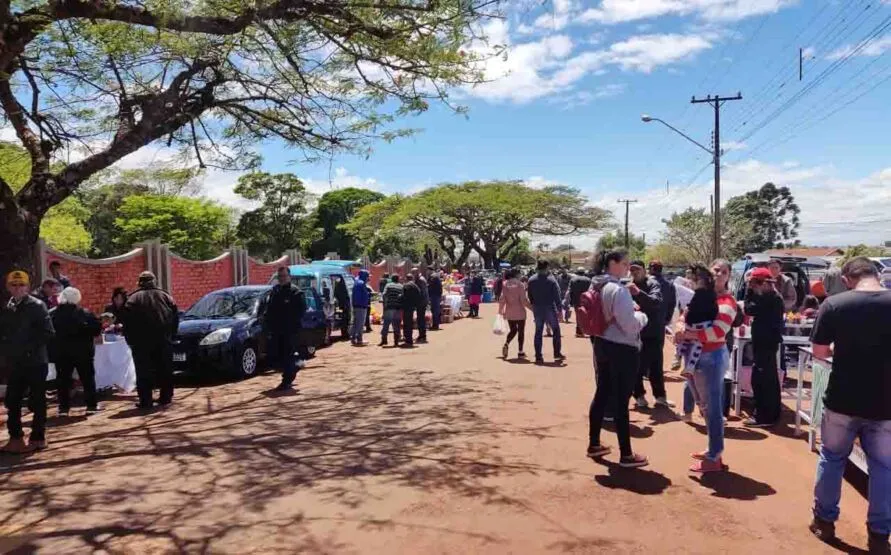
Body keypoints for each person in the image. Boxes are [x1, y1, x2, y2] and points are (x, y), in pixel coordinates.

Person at [808, 257, 891, 552]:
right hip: (885, 403)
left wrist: (840, 348)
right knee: (883, 468)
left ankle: (824, 522)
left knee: (832, 458)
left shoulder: (835, 305)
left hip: (843, 399)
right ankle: (880, 536)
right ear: (876, 274)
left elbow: (819, 352)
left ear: (846, 279)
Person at [587, 249, 649, 468]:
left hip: (601, 344)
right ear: (612, 263)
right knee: (621, 401)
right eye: (624, 263)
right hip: (622, 348)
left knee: (602, 393)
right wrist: (642, 317)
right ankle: (626, 455)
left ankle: (594, 443)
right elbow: (630, 326)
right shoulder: (617, 289)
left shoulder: (596, 284)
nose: (627, 267)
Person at [675, 260, 738, 473]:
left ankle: (714, 456)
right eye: (716, 270)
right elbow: (684, 316)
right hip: (695, 356)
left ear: (729, 276)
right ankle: (713, 449)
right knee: (705, 406)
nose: (719, 274)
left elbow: (718, 332)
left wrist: (689, 333)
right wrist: (680, 326)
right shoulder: (699, 297)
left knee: (712, 408)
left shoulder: (728, 302)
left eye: (724, 271)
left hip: (711, 357)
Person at [1, 271, 54, 453]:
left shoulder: (37, 306)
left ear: (27, 287)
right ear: (8, 287)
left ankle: (38, 437)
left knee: (37, 400)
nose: (18, 288)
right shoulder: (7, 307)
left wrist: (28, 349)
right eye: (14, 285)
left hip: (36, 362)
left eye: (21, 285)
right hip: (15, 363)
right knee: (12, 400)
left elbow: (47, 332)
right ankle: (16, 438)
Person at [122, 271, 179, 409]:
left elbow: (127, 323)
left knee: (143, 371)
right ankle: (166, 397)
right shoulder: (166, 296)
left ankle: (146, 400)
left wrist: (130, 341)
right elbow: (175, 319)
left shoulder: (132, 299)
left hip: (141, 343)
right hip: (163, 340)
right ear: (154, 281)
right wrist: (171, 336)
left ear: (139, 282)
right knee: (165, 369)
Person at [742, 267, 785, 428]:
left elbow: (748, 309)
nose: (755, 287)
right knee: (768, 378)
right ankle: (769, 414)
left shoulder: (769, 299)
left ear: (767, 283)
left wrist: (748, 291)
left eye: (757, 283)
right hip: (766, 341)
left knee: (762, 379)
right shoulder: (772, 297)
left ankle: (764, 415)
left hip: (766, 342)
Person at [50, 287, 102, 416]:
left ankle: (63, 408)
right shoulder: (85, 313)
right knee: (87, 378)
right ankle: (91, 405)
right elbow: (96, 329)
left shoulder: (52, 314)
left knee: (62, 380)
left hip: (61, 352)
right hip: (83, 351)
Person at [628, 260, 673, 410]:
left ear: (644, 270)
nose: (635, 272)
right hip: (634, 333)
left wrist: (638, 293)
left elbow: (656, 301)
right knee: (635, 367)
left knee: (656, 366)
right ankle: (639, 396)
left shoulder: (653, 284)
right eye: (632, 270)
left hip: (654, 332)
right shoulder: (625, 285)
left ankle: (660, 397)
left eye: (637, 269)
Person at [265, 266, 307, 391]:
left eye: (284, 276)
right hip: (276, 330)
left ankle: (286, 381)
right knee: (275, 357)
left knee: (287, 356)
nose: (282, 279)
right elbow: (269, 310)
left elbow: (301, 311)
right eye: (280, 276)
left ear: (289, 277)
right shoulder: (275, 291)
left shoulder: (295, 292)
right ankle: (297, 364)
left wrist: (292, 325)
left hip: (290, 331)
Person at [526, 260, 565, 364]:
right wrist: (560, 310)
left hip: (537, 308)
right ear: (547, 267)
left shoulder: (531, 280)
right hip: (549, 307)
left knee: (538, 331)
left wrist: (534, 304)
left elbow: (529, 295)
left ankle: (538, 356)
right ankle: (557, 353)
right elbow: (557, 297)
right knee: (556, 330)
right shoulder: (551, 280)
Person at [498, 268, 531, 359]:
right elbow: (523, 300)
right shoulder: (520, 284)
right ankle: (520, 351)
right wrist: (532, 309)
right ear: (516, 274)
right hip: (520, 312)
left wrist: (501, 311)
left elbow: (502, 299)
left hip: (509, 311)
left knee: (513, 330)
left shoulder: (505, 284)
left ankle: (506, 343)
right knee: (521, 331)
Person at [567, 269, 592, 338]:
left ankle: (579, 331)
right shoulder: (588, 280)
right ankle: (586, 330)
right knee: (586, 315)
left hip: (576, 300)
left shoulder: (573, 280)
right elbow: (591, 290)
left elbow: (570, 291)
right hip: (586, 300)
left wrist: (569, 301)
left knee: (578, 316)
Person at [380, 275, 404, 346]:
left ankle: (384, 340)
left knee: (386, 324)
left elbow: (384, 295)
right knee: (397, 325)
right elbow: (403, 296)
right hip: (398, 308)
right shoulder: (401, 286)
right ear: (398, 279)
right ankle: (396, 342)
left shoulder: (388, 285)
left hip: (389, 307)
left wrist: (385, 304)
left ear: (391, 279)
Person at [350, 270, 372, 346]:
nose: (368, 278)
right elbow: (361, 296)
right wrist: (365, 304)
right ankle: (359, 339)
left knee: (355, 323)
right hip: (361, 306)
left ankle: (353, 338)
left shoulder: (357, 282)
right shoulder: (361, 283)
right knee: (360, 323)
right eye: (367, 276)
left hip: (356, 305)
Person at [401, 274, 423, 347]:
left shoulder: (406, 285)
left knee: (407, 323)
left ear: (406, 278)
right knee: (409, 323)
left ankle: (408, 341)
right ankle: (409, 340)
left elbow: (403, 296)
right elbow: (419, 295)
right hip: (412, 307)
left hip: (406, 306)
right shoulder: (415, 286)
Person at [411, 267, 429, 343]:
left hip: (421, 302)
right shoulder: (420, 279)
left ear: (417, 272)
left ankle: (422, 336)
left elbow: (421, 292)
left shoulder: (420, 280)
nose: (412, 275)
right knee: (420, 319)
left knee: (421, 319)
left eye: (413, 273)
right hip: (422, 302)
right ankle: (421, 335)